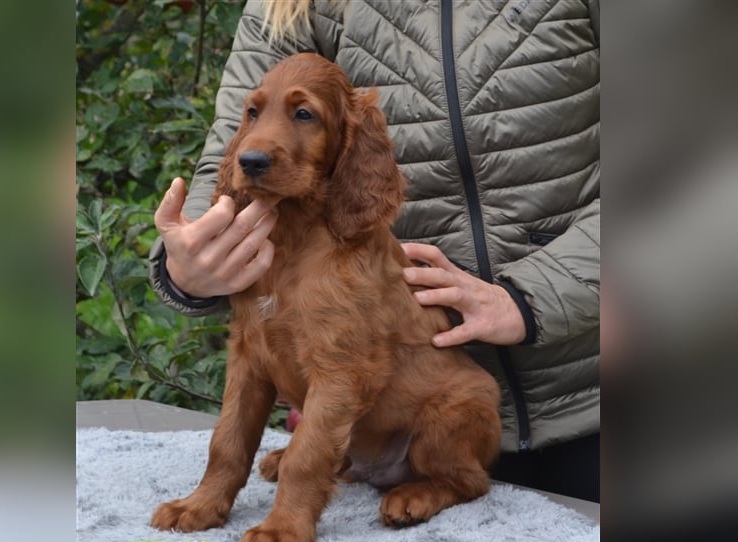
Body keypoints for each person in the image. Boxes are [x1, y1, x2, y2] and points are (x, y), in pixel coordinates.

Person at [149, 0, 600, 502]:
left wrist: (532, 297)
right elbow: (236, 145)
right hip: (361, 423)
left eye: (304, 114)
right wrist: (194, 256)